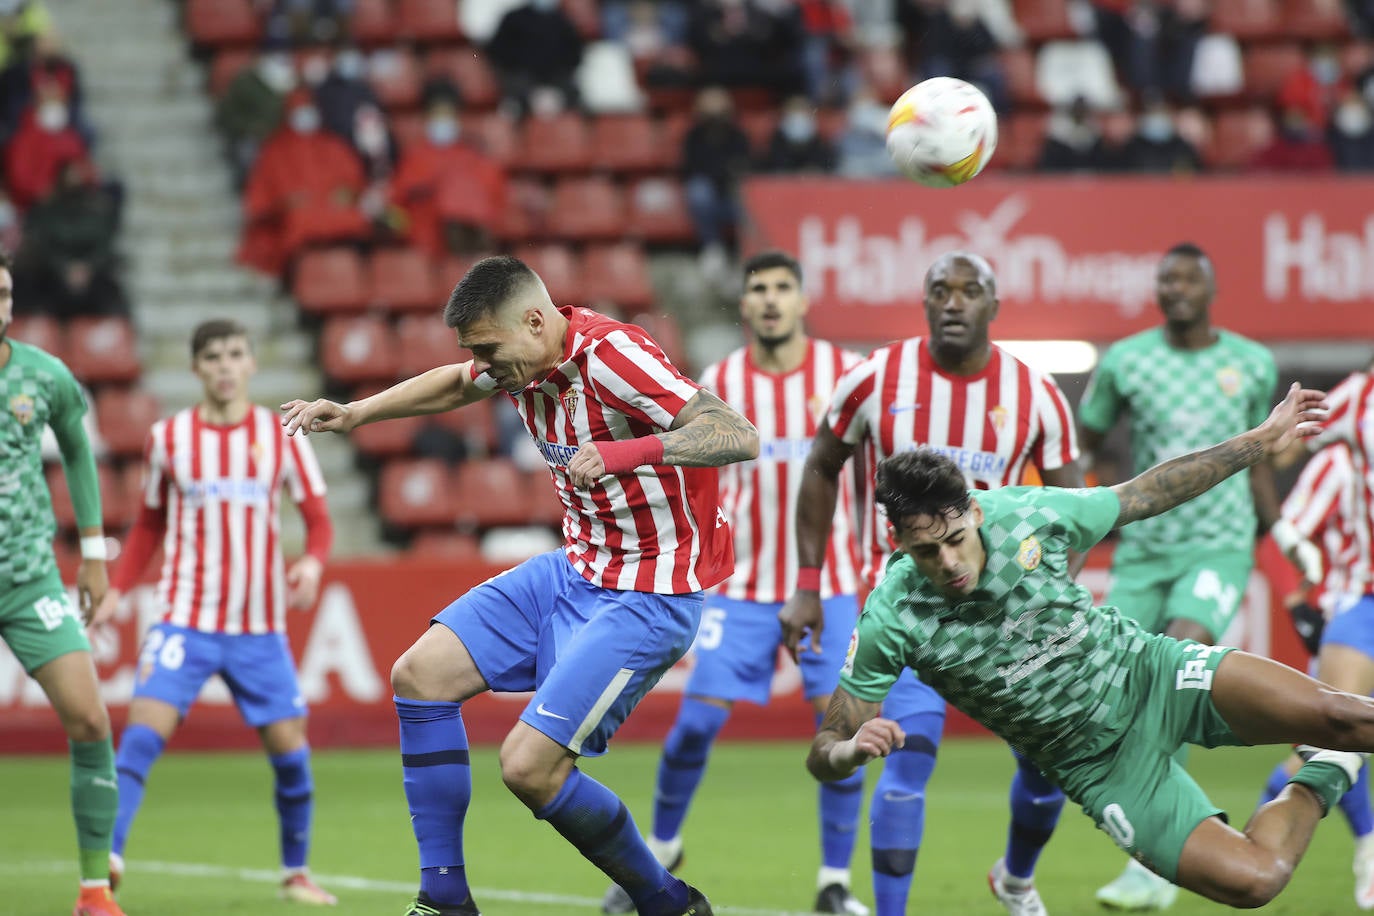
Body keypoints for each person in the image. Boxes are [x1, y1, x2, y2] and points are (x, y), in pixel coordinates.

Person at [279, 255, 759, 916]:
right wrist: (357, 414)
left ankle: (666, 901)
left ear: (536, 321)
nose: (483, 363)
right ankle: (444, 899)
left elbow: (736, 433)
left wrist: (629, 451)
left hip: (650, 593)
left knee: (529, 768)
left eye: (488, 348)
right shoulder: (522, 358)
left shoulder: (615, 357)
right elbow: (455, 384)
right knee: (419, 676)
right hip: (574, 570)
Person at [807, 381, 1374, 913]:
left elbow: (1144, 493)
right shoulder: (892, 614)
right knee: (1257, 880)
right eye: (928, 552)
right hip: (1096, 765)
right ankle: (1331, 767)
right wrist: (851, 751)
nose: (950, 563)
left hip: (1151, 674)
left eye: (956, 539)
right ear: (898, 541)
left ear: (975, 512)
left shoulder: (1027, 515)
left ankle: (1337, 743)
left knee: (1344, 714)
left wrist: (1257, 441)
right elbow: (824, 749)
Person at [779, 251, 1085, 916]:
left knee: (1046, 768)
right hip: (909, 617)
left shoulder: (1037, 396)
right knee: (901, 765)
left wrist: (1052, 602)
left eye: (969, 291)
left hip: (1006, 622)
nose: (953, 302)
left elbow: (1072, 511)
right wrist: (808, 582)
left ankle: (1017, 879)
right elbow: (821, 465)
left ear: (993, 306)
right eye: (939, 290)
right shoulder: (873, 379)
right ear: (923, 302)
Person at [601, 251, 869, 915]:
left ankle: (834, 882)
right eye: (758, 290)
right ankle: (662, 848)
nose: (771, 300)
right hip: (740, 587)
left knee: (837, 733)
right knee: (693, 726)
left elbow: (869, 470)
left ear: (803, 302)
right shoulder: (719, 381)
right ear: (744, 305)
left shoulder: (844, 376)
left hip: (829, 583)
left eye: (783, 288)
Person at [93, 319, 337, 906]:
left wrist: (312, 563)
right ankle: (107, 860)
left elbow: (320, 520)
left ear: (251, 363)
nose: (225, 365)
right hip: (185, 617)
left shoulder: (281, 436)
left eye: (234, 354)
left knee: (291, 755)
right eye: (213, 356)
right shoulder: (168, 438)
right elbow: (149, 523)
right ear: (196, 368)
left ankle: (295, 872)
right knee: (141, 738)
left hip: (259, 627)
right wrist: (119, 588)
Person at [1077, 241, 1290, 910]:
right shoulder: (1127, 362)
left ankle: (1156, 863)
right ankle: (1156, 837)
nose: (1173, 289)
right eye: (1164, 279)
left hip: (1219, 549)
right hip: (1143, 551)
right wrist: (1096, 509)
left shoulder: (1251, 364)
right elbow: (1088, 440)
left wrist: (1278, 536)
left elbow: (1259, 460)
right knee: (1112, 695)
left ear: (1211, 288)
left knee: (1175, 664)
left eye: (1186, 279)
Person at [0, 248, 122, 916]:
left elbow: (77, 447)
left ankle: (93, 890)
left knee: (90, 717)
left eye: (4, 292)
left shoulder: (43, 376)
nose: (0, 305)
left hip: (27, 580)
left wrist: (96, 553)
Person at [1255, 437, 1374, 909]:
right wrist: (1297, 603)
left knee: (1305, 762)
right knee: (1338, 738)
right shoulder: (1340, 462)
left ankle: (1246, 831)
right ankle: (1369, 845)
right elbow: (1284, 538)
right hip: (1353, 613)